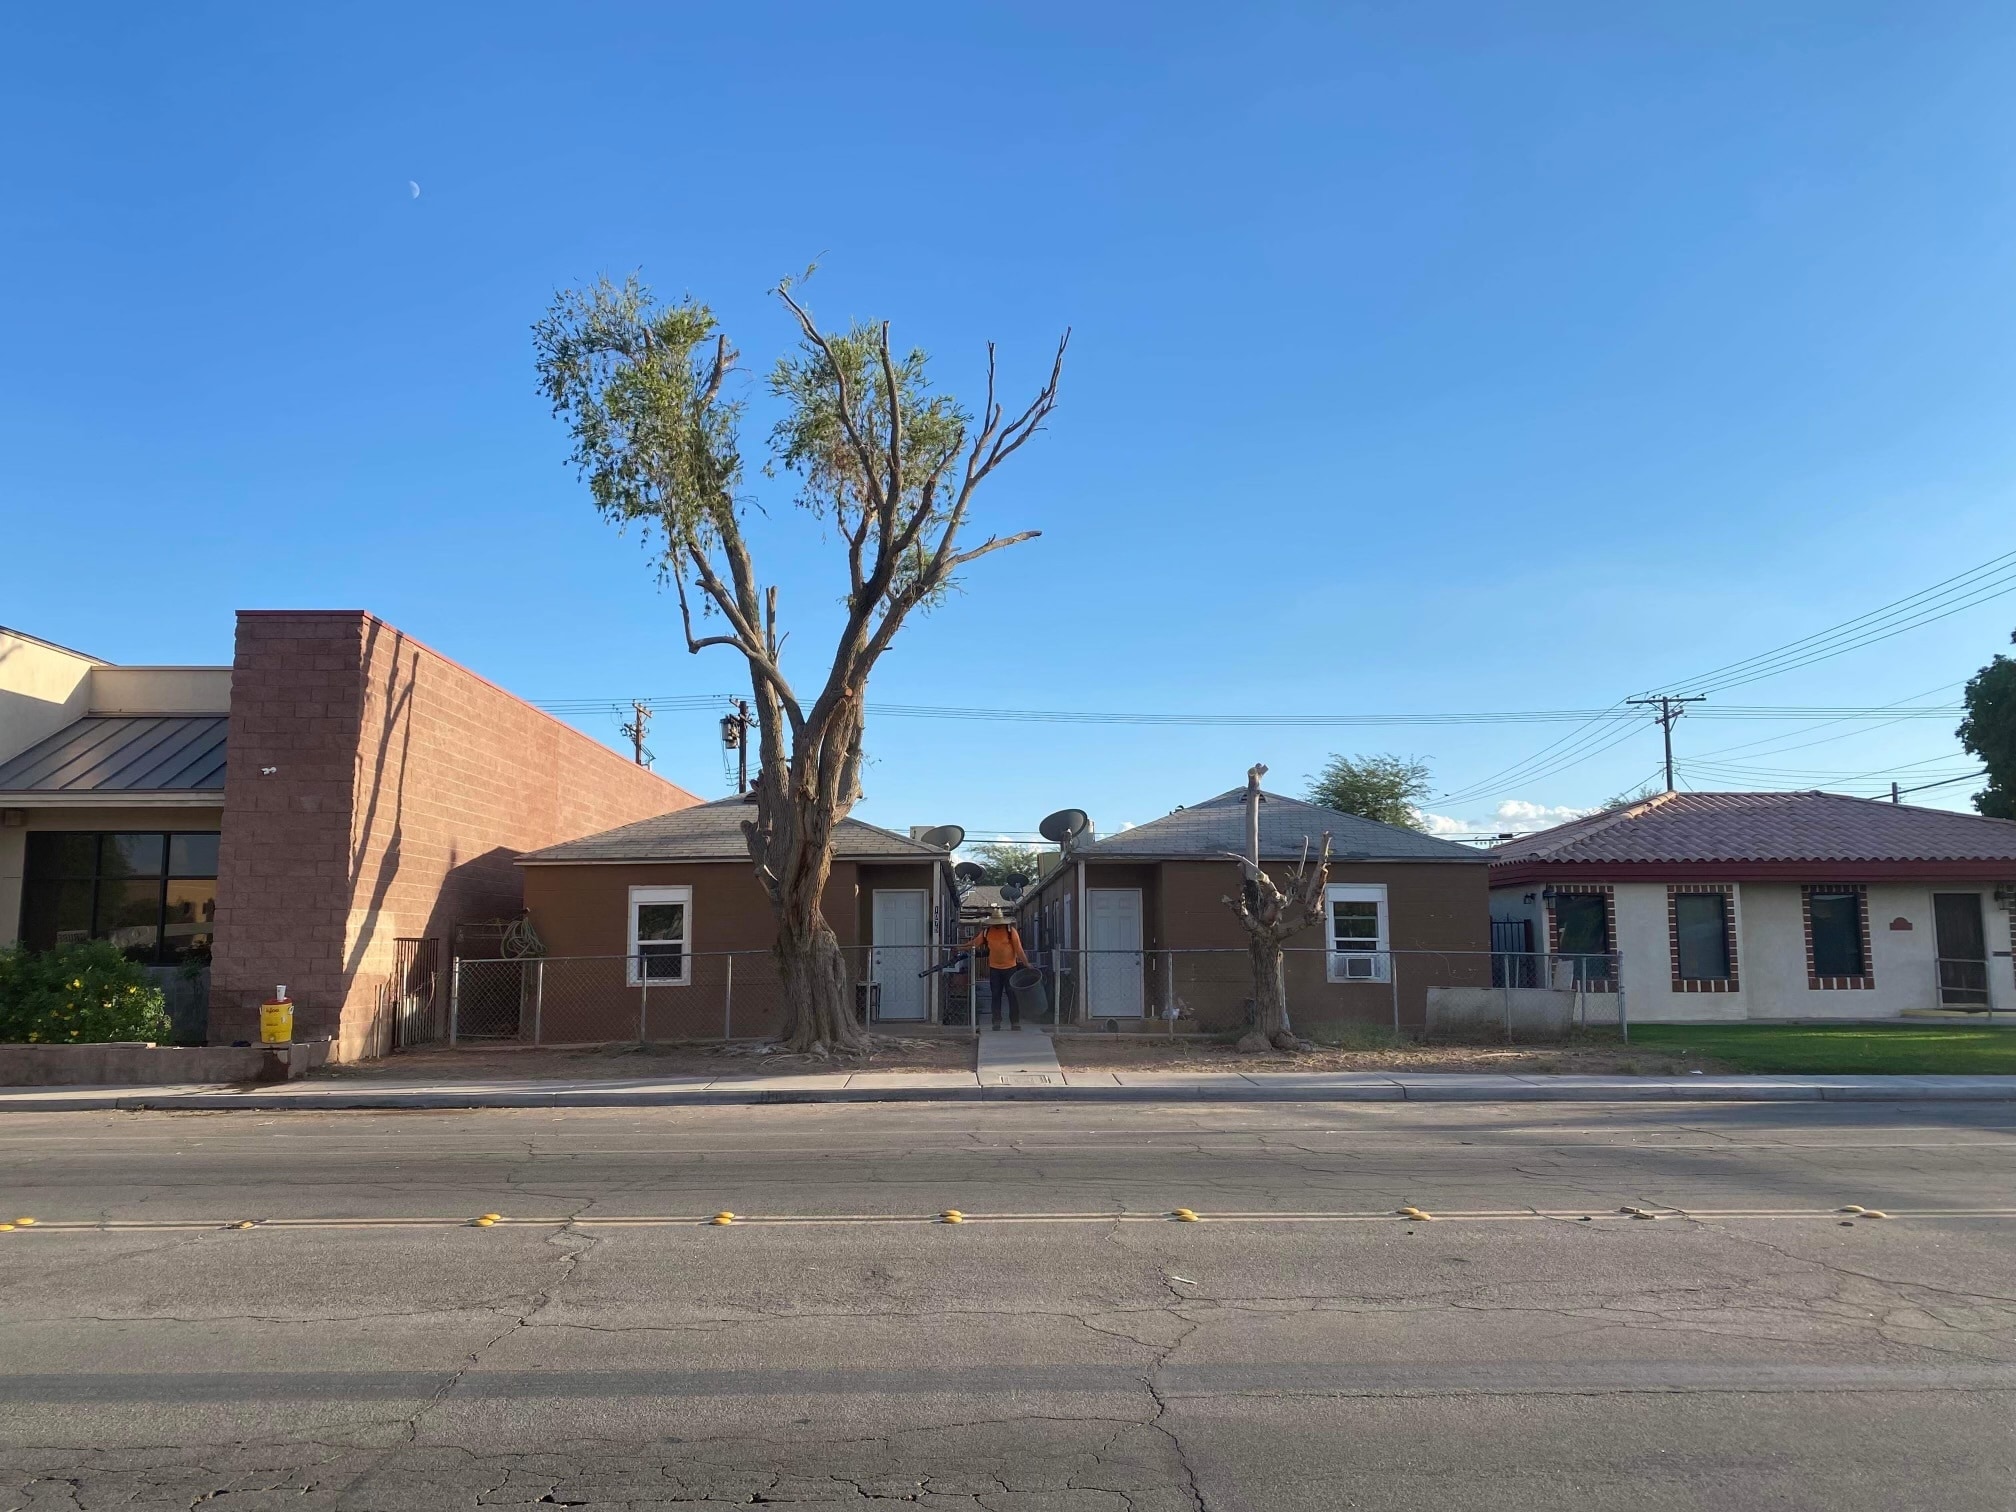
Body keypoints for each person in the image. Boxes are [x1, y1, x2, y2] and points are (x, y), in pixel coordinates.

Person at [962, 906, 1030, 1030]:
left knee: (1012, 995)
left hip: (1010, 968)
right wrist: (961, 947)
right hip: (994, 969)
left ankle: (1015, 1022)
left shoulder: (1011, 931)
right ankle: (996, 1022)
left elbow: (1019, 949)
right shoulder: (987, 932)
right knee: (996, 995)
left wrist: (1026, 963)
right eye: (995, 924)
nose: (997, 926)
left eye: (999, 923)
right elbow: (975, 943)